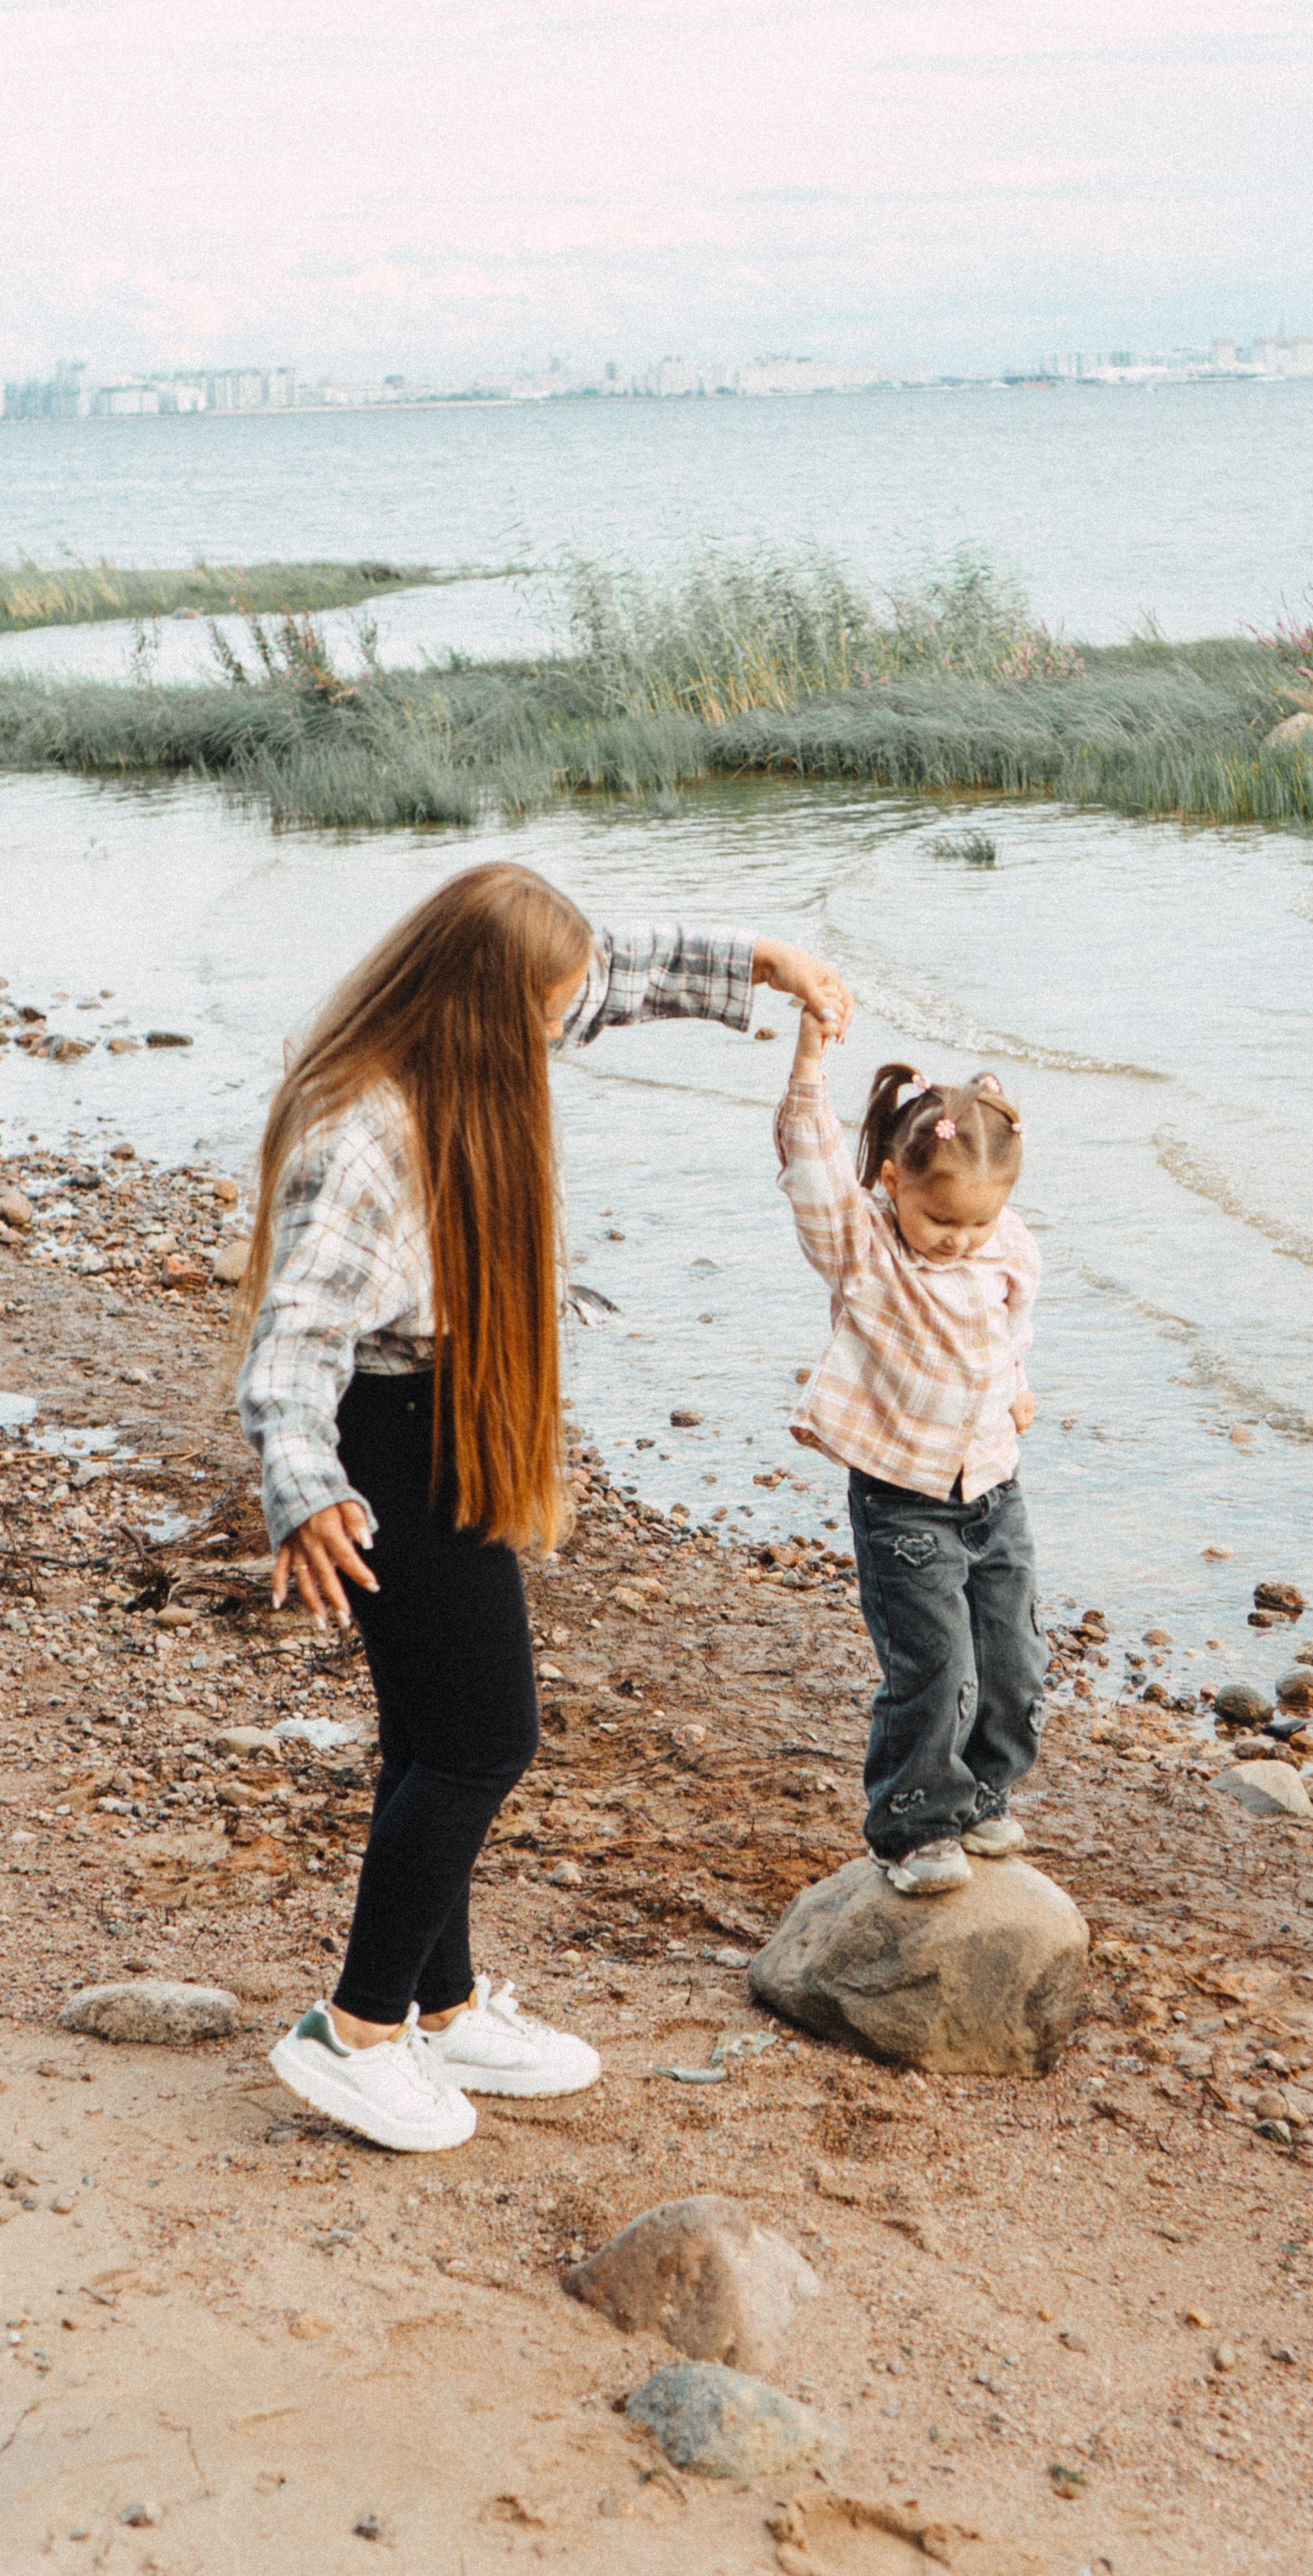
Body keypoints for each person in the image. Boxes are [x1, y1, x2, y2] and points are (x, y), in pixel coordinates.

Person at [236, 861, 852, 2151]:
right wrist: (308, 1493)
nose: (556, 1035)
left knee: (431, 1729)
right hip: (387, 1438)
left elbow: (608, 975)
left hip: (448, 1417)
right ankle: (351, 2030)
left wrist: (760, 962)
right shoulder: (366, 1129)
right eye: (538, 1018)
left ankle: (443, 2002)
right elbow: (292, 1343)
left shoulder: (469, 1033)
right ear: (473, 1010)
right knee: (484, 1739)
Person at [775, 999, 1047, 1896]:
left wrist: (1015, 1387)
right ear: (893, 1180)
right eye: (943, 1225)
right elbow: (811, 1168)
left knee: (1011, 1660)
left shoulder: (1003, 1245)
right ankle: (913, 1825)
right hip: (903, 1496)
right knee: (936, 1667)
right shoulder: (867, 1248)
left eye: (977, 1224)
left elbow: (1009, 1326)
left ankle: (982, 1793)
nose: (960, 1243)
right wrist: (810, 1057)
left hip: (992, 1488)